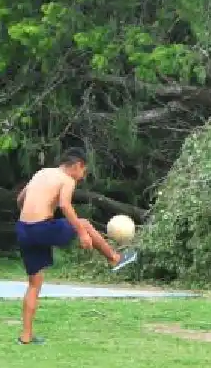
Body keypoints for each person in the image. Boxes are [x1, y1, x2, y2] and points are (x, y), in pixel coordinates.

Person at [14, 148, 137, 345]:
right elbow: (65, 205)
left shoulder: (42, 172)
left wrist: (30, 215)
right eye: (84, 171)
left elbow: (21, 198)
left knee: (34, 283)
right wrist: (81, 233)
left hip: (23, 229)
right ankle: (114, 259)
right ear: (78, 165)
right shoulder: (67, 180)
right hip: (41, 228)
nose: (82, 176)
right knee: (85, 224)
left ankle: (26, 336)